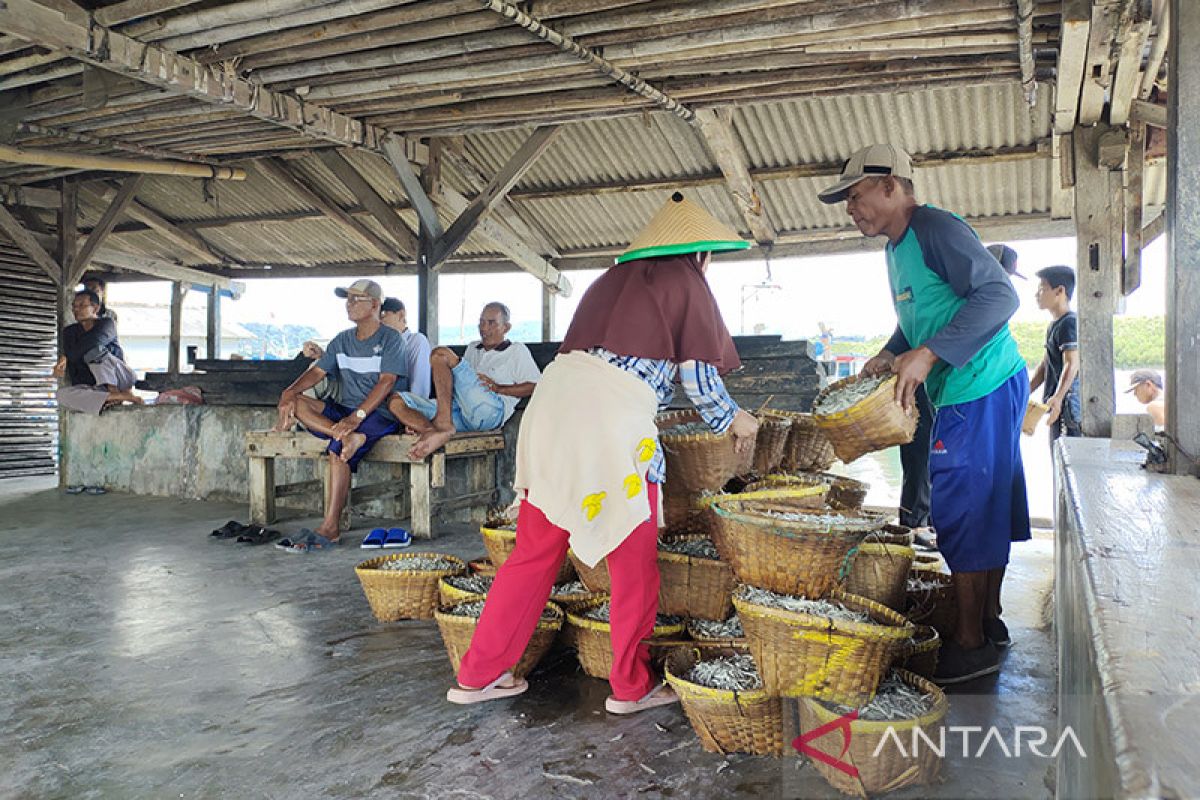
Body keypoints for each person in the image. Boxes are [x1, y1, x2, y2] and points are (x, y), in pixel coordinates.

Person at [445, 192, 759, 713]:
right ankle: (631, 688)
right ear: (700, 254)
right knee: (633, 563)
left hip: (551, 412)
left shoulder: (609, 282)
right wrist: (737, 420)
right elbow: (700, 382)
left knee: (532, 556)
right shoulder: (688, 282)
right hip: (608, 426)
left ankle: (477, 675)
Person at [819, 144, 1030, 684]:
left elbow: (999, 297)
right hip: (976, 385)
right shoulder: (895, 249)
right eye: (845, 201)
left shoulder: (933, 228)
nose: (850, 208)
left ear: (890, 185)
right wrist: (893, 350)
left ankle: (969, 643)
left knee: (962, 508)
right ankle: (989, 621)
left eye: (856, 195)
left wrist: (930, 354)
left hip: (978, 382)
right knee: (986, 500)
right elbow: (922, 316)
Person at [899, 242, 1022, 542]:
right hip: (934, 382)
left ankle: (925, 521)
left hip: (961, 387)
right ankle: (915, 521)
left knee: (942, 460)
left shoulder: (989, 305)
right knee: (920, 451)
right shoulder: (953, 293)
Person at [273, 280, 405, 551]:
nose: (350, 303)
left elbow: (386, 382)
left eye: (357, 299)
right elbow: (317, 373)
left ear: (375, 305)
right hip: (345, 413)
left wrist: (357, 416)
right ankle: (341, 434)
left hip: (379, 412)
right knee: (298, 402)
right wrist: (289, 391)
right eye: (348, 299)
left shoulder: (391, 339)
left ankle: (331, 527)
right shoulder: (342, 339)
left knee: (337, 451)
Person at [389, 302, 541, 460]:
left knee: (440, 354)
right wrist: (417, 419)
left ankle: (443, 423)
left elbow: (535, 385)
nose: (484, 328)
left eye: (491, 323)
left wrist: (498, 388)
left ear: (506, 327)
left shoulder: (516, 350)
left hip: (490, 411)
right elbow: (460, 384)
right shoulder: (473, 348)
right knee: (396, 401)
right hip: (461, 413)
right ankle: (431, 430)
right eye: (481, 322)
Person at [54, 290, 140, 414]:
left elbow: (92, 343)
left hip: (120, 377)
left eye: (82, 305)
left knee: (95, 353)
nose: (76, 309)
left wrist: (66, 356)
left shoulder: (107, 324)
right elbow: (73, 356)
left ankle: (115, 391)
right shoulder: (69, 332)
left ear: (95, 308)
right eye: (74, 306)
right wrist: (68, 357)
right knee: (61, 395)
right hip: (96, 385)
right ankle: (118, 397)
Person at [1029, 266, 1081, 441]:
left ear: (1060, 291)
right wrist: (1024, 392)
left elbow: (1072, 363)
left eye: (1042, 288)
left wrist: (1058, 397)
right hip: (1055, 406)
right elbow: (1046, 365)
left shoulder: (1070, 322)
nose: (1037, 295)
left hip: (1068, 407)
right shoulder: (1055, 325)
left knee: (1068, 460)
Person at [381, 297, 432, 399]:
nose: (379, 321)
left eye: (383, 315)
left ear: (401, 315)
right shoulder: (381, 346)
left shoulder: (416, 342)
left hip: (403, 406)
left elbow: (419, 389)